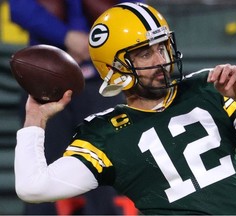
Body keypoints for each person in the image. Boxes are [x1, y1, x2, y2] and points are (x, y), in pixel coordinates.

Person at [14, 2, 236, 215]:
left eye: (162, 47)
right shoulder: (104, 134)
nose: (161, 61)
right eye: (145, 53)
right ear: (115, 68)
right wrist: (34, 120)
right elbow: (33, 188)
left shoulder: (208, 88)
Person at [9, 0, 141, 214]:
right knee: (39, 170)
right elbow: (19, 8)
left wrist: (96, 40)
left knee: (107, 170)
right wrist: (65, 36)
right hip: (46, 77)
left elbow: (135, 10)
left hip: (104, 75)